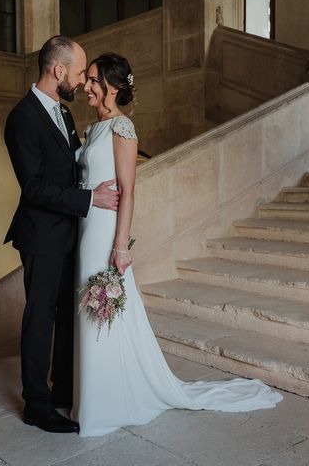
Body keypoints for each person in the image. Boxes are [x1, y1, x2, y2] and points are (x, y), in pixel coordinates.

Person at [71, 52, 283, 437]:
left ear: (113, 88)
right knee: (88, 312)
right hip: (85, 229)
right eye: (86, 79)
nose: (86, 85)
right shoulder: (93, 128)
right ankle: (92, 398)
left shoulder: (122, 128)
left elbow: (129, 192)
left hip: (104, 233)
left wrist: (120, 247)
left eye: (92, 80)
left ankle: (108, 403)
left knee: (103, 312)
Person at [3, 36, 119, 434]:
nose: (80, 83)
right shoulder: (22, 118)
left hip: (72, 232)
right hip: (41, 236)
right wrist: (90, 199)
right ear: (57, 71)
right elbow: (32, 187)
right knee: (40, 318)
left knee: (69, 314)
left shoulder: (64, 115)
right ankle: (36, 405)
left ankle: (63, 394)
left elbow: (70, 168)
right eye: (76, 74)